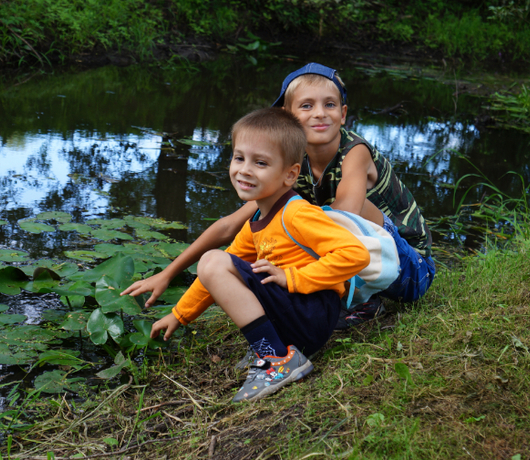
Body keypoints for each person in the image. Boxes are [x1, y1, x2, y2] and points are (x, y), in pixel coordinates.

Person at [124, 62, 435, 329]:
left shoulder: (355, 152)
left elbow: (345, 218)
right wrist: (168, 273)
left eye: (329, 105)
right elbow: (230, 225)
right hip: (360, 262)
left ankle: (357, 303)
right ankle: (342, 298)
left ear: (343, 114)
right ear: (287, 116)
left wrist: (282, 257)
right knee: (273, 216)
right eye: (306, 106)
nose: (319, 114)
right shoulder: (289, 165)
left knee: (309, 218)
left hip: (410, 266)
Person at [149, 108, 369, 402]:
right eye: (239, 158)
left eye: (260, 163)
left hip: (313, 313)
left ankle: (275, 359)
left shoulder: (296, 213)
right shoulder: (256, 222)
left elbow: (355, 254)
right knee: (220, 264)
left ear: (290, 174)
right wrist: (179, 314)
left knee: (212, 260)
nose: (244, 170)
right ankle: (274, 347)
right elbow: (216, 275)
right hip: (295, 316)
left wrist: (292, 277)